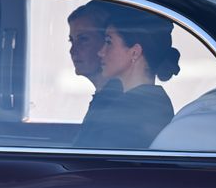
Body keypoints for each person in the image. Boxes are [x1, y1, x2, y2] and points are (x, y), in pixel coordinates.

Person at [75, 8, 181, 149]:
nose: (101, 52)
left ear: (135, 52)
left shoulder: (132, 112)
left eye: (108, 42)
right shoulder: (146, 103)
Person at [67, 0, 123, 144]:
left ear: (107, 42)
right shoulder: (104, 98)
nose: (72, 51)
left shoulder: (114, 105)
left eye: (83, 39)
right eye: (71, 41)